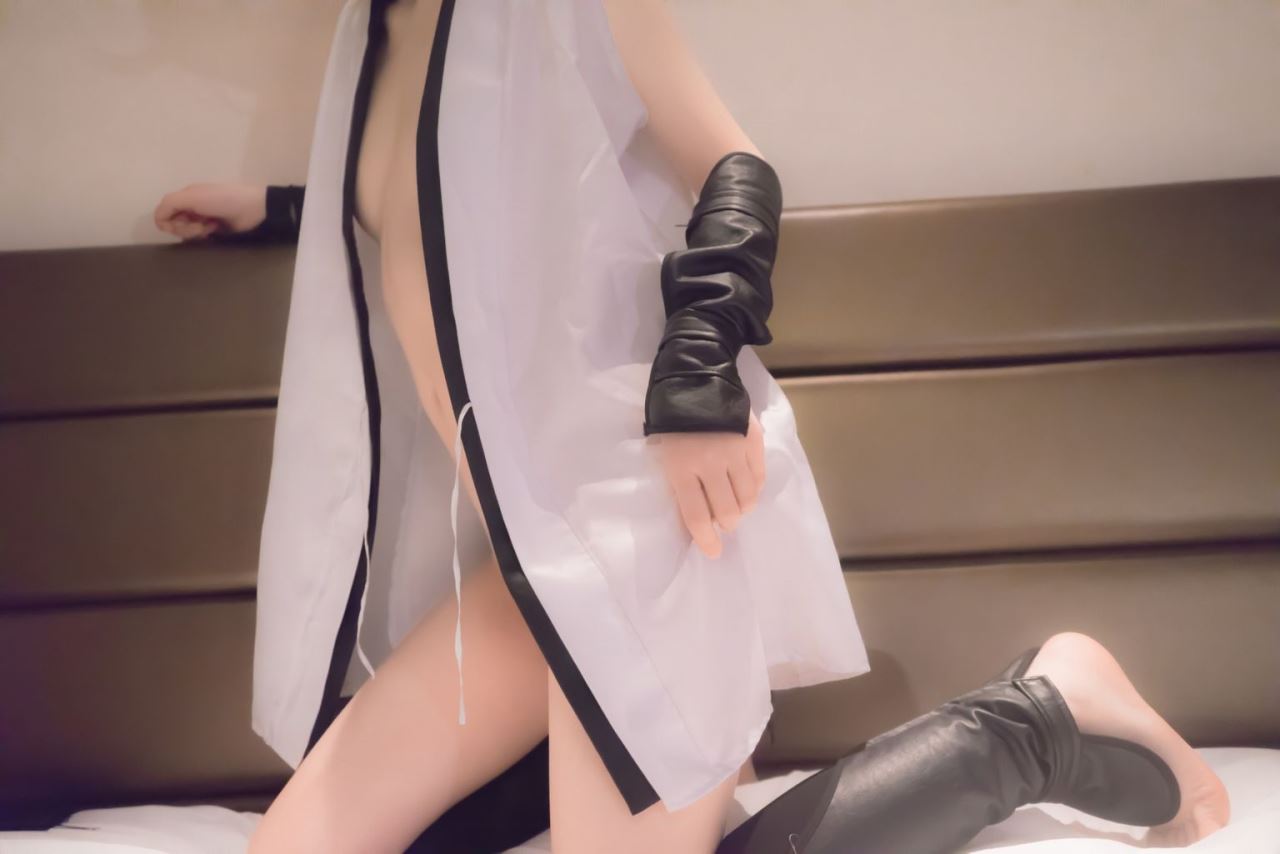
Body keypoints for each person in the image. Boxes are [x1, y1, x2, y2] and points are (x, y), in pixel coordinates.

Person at [154, 2, 1230, 851]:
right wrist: (289, 207)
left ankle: (1030, 724)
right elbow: (452, 215)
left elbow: (733, 167)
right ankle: (659, 781)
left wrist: (699, 376)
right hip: (531, 557)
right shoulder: (372, 39)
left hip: (642, 521)